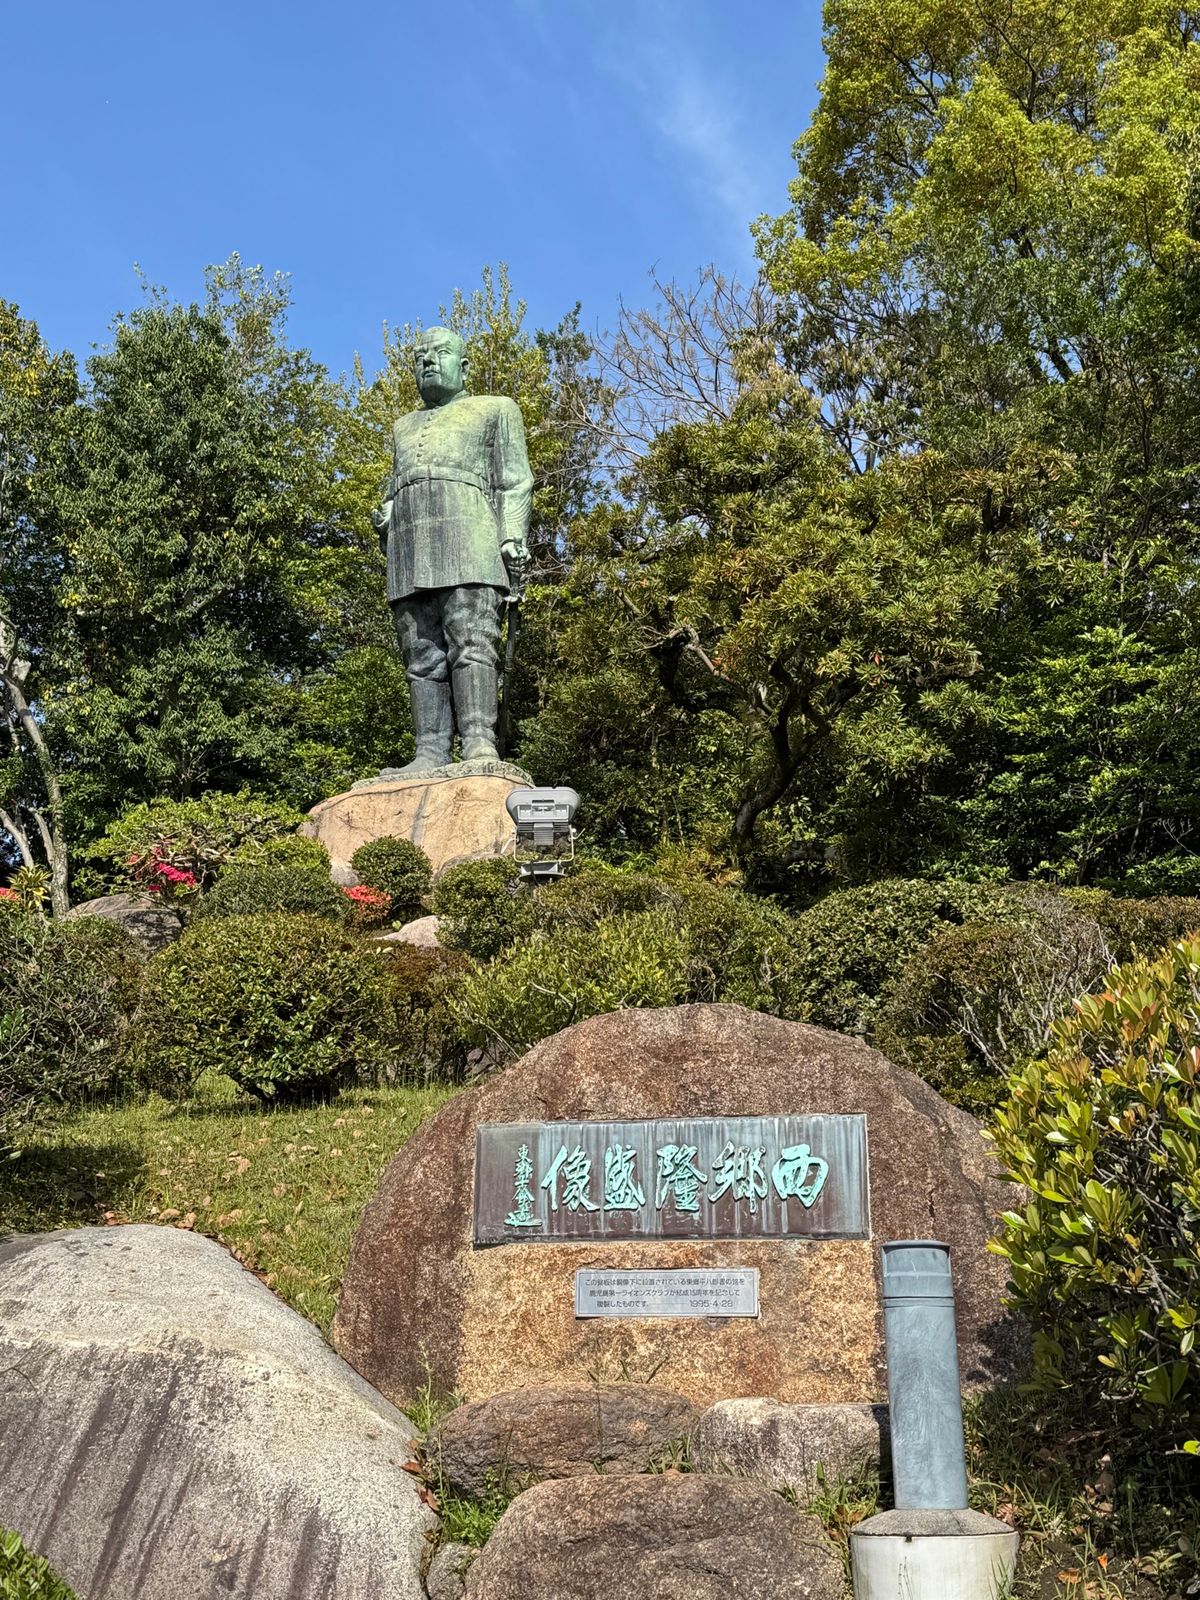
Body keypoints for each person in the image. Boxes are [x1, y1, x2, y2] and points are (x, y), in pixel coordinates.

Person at [372, 326, 532, 772]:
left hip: (471, 539)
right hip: (410, 547)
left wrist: (512, 536)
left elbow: (515, 480)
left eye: (439, 353)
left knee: (472, 640)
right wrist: (385, 512)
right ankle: (429, 750)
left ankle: (480, 742)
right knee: (419, 651)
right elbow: (393, 486)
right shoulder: (402, 427)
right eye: (421, 355)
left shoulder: (496, 410)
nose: (427, 361)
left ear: (463, 366)